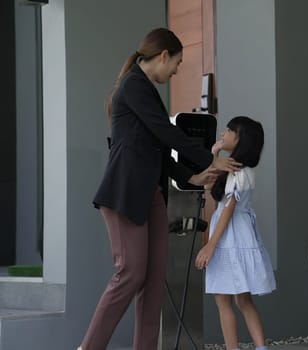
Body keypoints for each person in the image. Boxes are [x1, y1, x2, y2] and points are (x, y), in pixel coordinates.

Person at [78, 28, 240, 350]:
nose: (178, 70)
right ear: (163, 55)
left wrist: (190, 176)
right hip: (124, 195)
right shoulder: (133, 86)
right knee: (131, 273)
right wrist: (208, 158)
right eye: (177, 62)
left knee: (153, 284)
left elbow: (154, 147)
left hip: (151, 196)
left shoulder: (147, 90)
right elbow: (165, 132)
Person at [195, 116, 276, 350]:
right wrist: (215, 154)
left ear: (241, 140)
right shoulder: (241, 169)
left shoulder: (237, 172)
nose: (224, 133)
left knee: (224, 299)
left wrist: (210, 245)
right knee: (243, 299)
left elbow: (227, 209)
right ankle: (261, 347)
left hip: (228, 235)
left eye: (230, 130)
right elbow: (211, 189)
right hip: (240, 233)